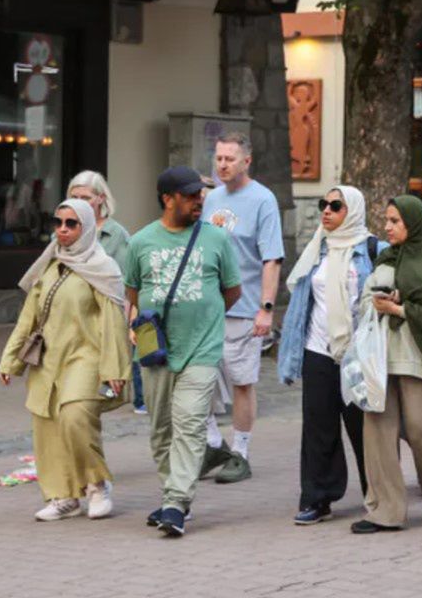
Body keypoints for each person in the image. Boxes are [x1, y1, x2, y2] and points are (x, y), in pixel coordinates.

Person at [124, 166, 241, 537]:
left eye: (201, 194)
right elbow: (133, 294)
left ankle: (175, 503)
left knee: (189, 423)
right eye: (191, 195)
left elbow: (231, 291)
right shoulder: (140, 242)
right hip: (156, 350)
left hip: (201, 350)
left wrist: (203, 317)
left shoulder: (216, 240)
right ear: (167, 198)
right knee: (161, 430)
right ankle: (174, 495)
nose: (199, 200)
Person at [0, 199, 131, 521]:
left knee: (75, 418)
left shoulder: (103, 269)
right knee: (47, 427)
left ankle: (97, 485)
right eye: (58, 222)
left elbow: (113, 321)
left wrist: (115, 368)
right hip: (48, 359)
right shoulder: (50, 264)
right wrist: (9, 360)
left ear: (86, 228)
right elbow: (28, 318)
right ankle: (64, 497)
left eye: (71, 224)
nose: (62, 229)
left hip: (86, 356)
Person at [352, 196, 422, 534]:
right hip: (380, 358)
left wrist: (401, 309)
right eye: (386, 220)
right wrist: (375, 304)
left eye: (395, 221)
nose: (387, 227)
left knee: (421, 428)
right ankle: (385, 511)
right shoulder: (386, 259)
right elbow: (363, 303)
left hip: (420, 356)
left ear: (413, 223)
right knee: (377, 433)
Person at [279, 186, 378, 525]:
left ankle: (378, 493)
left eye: (336, 206)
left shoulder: (373, 249)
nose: (326, 211)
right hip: (317, 349)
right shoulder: (316, 248)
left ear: (352, 210)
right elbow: (300, 302)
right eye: (324, 204)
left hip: (357, 353)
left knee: (366, 426)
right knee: (319, 427)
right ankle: (317, 498)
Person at [199, 133, 285, 485]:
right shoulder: (211, 199)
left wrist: (266, 308)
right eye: (218, 158)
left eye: (229, 159)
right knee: (199, 377)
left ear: (246, 161)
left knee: (242, 382)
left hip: (244, 307)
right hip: (207, 308)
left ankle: (241, 452)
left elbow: (271, 259)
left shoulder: (263, 200)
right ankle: (212, 444)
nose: (222, 165)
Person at [68, 171, 142, 413]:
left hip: (104, 309)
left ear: (100, 198)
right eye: (74, 196)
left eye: (86, 197)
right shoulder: (65, 228)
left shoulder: (116, 234)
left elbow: (126, 280)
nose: (79, 201)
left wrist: (129, 318)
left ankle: (105, 392)